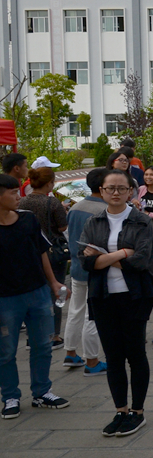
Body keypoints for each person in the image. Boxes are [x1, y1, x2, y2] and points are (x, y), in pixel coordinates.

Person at [81, 169, 153, 436]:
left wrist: (103, 257)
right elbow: (86, 261)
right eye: (110, 188)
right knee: (113, 356)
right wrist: (123, 252)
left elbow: (141, 260)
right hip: (103, 296)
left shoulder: (141, 221)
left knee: (135, 353)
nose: (115, 193)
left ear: (130, 192)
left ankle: (137, 411)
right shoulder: (94, 221)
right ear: (101, 191)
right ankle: (120, 410)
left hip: (134, 296)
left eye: (121, 188)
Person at [0, 172, 69, 419]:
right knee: (6, 350)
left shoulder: (28, 220)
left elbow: (42, 252)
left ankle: (42, 391)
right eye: (12, 193)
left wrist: (53, 283)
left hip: (38, 292)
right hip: (5, 299)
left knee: (43, 344)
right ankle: (9, 396)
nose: (19, 197)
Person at [63, 168, 108, 376]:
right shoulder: (104, 210)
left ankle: (70, 352)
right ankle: (92, 361)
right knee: (93, 315)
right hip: (94, 267)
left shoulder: (76, 207)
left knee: (75, 310)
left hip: (76, 267)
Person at [19, 165, 69, 349]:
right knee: (56, 293)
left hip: (30, 252)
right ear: (49, 183)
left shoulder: (23, 202)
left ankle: (32, 336)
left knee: (35, 294)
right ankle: (54, 335)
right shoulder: (52, 202)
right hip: (53, 251)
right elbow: (62, 227)